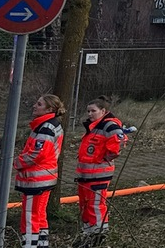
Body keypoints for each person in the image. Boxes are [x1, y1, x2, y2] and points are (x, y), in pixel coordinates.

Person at [75, 96, 130, 245]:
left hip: (98, 175)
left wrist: (104, 158)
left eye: (93, 111)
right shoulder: (94, 127)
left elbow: (117, 145)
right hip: (86, 175)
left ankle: (99, 237)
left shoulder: (109, 126)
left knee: (96, 206)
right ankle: (88, 235)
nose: (90, 114)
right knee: (86, 206)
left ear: (103, 111)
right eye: (88, 111)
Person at [15, 94, 65, 248]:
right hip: (43, 178)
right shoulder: (48, 125)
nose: (34, 106)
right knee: (39, 215)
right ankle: (41, 244)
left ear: (49, 109)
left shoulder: (46, 127)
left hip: (36, 180)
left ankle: (29, 245)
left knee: (30, 216)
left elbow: (37, 154)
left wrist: (17, 162)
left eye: (39, 104)